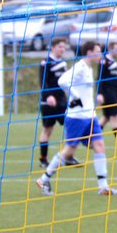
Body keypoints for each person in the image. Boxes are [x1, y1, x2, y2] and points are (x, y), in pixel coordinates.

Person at [36, 41, 117, 197]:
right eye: (98, 51)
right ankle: (44, 179)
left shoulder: (89, 68)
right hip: (77, 117)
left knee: (100, 146)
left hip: (90, 116)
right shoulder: (80, 67)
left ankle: (103, 187)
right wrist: (74, 95)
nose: (100, 55)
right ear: (89, 53)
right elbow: (62, 81)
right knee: (69, 151)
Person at [37, 38, 78, 168]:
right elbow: (43, 82)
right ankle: (43, 160)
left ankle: (68, 156)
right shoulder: (46, 63)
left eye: (64, 47)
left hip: (62, 101)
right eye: (60, 47)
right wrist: (48, 96)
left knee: (70, 127)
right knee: (47, 130)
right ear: (53, 47)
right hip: (48, 102)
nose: (62, 49)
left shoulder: (63, 63)